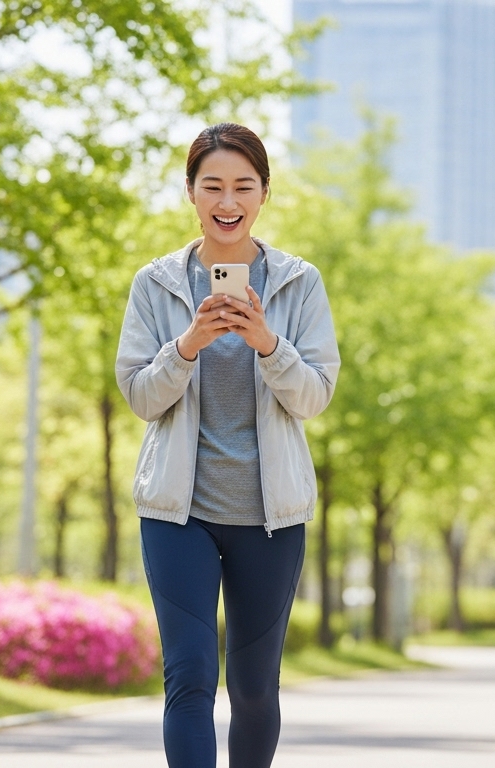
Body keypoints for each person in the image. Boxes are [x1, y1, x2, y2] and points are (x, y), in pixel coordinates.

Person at [115, 122, 340, 768]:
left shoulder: (299, 284)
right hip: (176, 514)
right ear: (190, 192)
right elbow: (140, 396)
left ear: (264, 193)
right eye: (212, 184)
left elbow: (313, 396)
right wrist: (186, 345)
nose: (227, 199)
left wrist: (269, 343)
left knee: (252, 687)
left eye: (243, 184)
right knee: (188, 678)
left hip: (270, 520)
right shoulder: (155, 285)